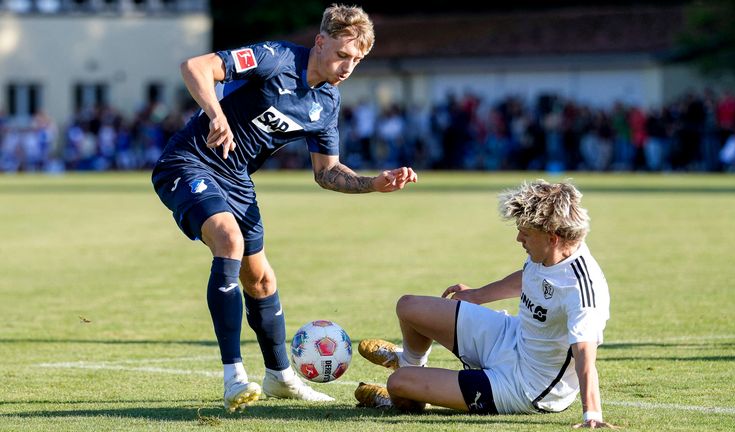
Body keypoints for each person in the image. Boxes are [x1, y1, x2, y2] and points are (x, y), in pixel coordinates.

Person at [151, 4, 417, 413]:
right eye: (342, 55)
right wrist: (216, 115)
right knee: (229, 239)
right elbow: (196, 67)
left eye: (357, 60)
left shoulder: (327, 103)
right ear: (320, 42)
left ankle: (280, 377)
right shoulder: (275, 58)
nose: (348, 67)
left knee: (260, 281)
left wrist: (373, 184)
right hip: (189, 161)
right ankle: (233, 376)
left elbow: (327, 172)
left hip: (237, 177)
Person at [355, 180, 620, 429]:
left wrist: (592, 414)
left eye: (525, 233)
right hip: (510, 337)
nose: (519, 239)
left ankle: (396, 394)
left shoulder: (582, 289)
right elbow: (530, 277)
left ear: (553, 238)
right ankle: (408, 362)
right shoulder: (551, 252)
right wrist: (476, 295)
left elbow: (584, 354)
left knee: (399, 383)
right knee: (409, 307)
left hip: (526, 386)